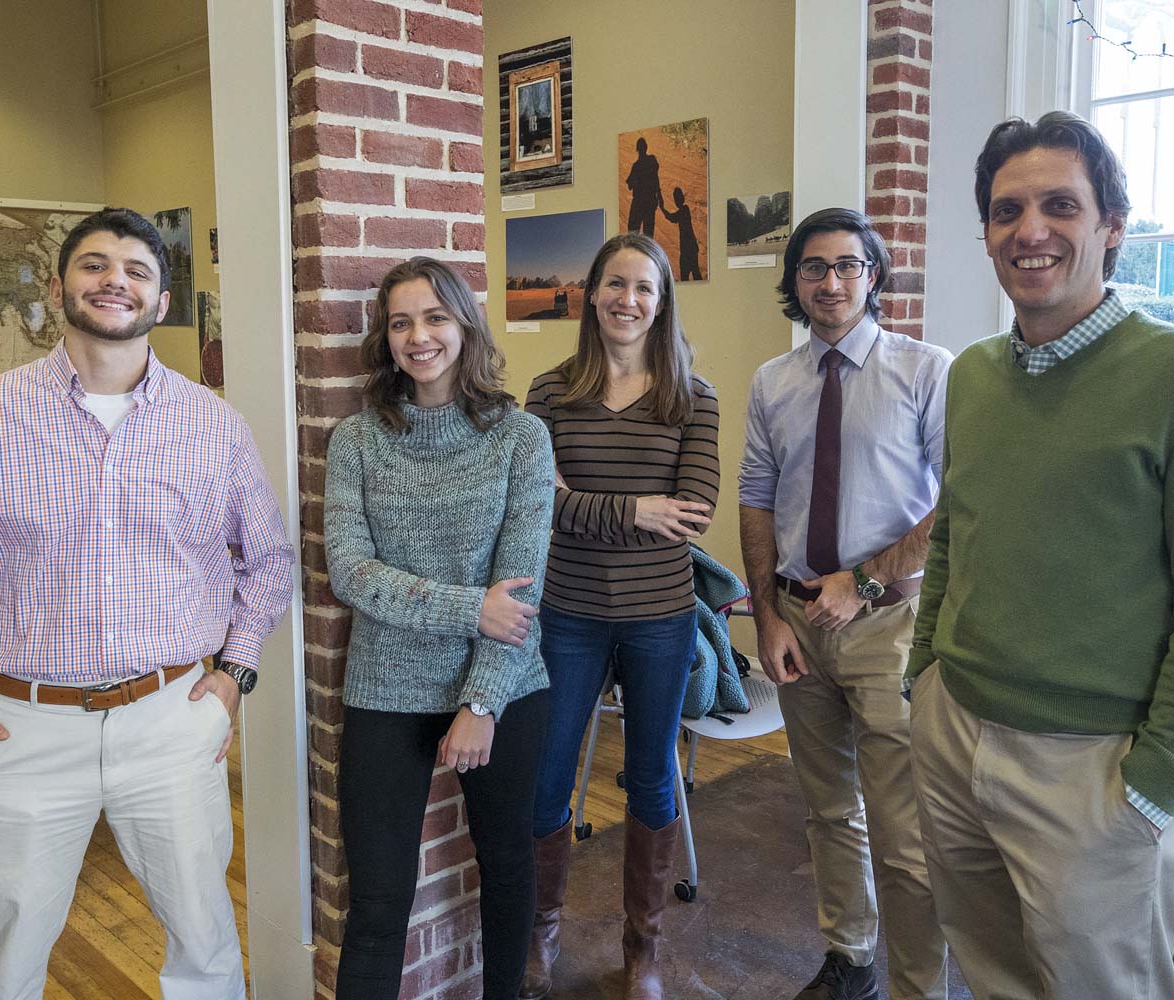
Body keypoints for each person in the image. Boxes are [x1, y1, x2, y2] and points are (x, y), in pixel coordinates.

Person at [0, 207, 295, 1000]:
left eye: (138, 270)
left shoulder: (214, 425)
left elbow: (268, 562)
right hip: (20, 726)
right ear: (56, 286)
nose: (116, 281)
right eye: (95, 264)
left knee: (205, 940)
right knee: (6, 957)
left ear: (161, 302)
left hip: (173, 720)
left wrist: (233, 676)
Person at [907, 110, 1174, 1000]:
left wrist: (1154, 784)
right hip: (955, 731)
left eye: (1060, 205)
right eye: (1006, 210)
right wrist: (923, 679)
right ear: (986, 233)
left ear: (1112, 226)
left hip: (1094, 766)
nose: (1030, 231)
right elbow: (954, 530)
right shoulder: (975, 375)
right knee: (990, 975)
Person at [325, 257, 555, 1000]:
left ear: (465, 325)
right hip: (386, 685)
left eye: (434, 317)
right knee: (380, 898)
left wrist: (482, 701)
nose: (418, 336)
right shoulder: (356, 441)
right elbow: (350, 573)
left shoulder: (521, 438)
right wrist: (467, 605)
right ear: (384, 339)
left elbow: (520, 593)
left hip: (504, 683)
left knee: (507, 865)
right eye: (400, 323)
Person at [738, 208, 950, 1000]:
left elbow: (955, 499)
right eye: (813, 267)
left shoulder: (926, 370)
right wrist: (766, 618)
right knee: (829, 813)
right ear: (794, 282)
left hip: (889, 627)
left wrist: (860, 583)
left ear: (874, 275)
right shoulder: (772, 382)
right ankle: (850, 958)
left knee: (905, 836)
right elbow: (756, 500)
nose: (830, 282)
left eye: (847, 266)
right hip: (797, 628)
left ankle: (920, 987)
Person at [520, 233, 720, 1000]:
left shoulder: (691, 396)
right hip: (565, 613)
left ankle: (645, 948)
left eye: (643, 287)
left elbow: (693, 512)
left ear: (662, 301)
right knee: (547, 780)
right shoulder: (549, 393)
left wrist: (582, 504)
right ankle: (542, 933)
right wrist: (639, 506)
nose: (626, 300)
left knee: (651, 780)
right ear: (590, 293)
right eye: (613, 284)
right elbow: (540, 501)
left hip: (659, 618)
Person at [658, 187, 701, 281]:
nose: (676, 201)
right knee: (694, 274)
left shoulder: (684, 210)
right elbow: (673, 217)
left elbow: (672, 218)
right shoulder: (685, 210)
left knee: (688, 275)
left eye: (676, 198)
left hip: (688, 248)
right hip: (690, 247)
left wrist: (662, 208)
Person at [625, 138, 662, 237]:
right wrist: (659, 197)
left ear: (637, 149)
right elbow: (656, 179)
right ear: (646, 148)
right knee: (648, 233)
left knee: (632, 232)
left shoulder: (636, 166)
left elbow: (629, 185)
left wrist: (636, 181)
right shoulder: (652, 160)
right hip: (650, 201)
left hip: (639, 202)